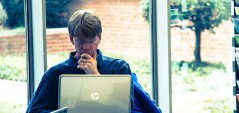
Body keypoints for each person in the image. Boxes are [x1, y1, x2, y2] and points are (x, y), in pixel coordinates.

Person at [26, 10, 161, 113]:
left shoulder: (119, 68)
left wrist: (95, 77)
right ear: (72, 39)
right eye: (81, 41)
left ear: (99, 38)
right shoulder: (55, 73)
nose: (86, 47)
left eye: (91, 41)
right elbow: (34, 111)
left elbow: (125, 109)